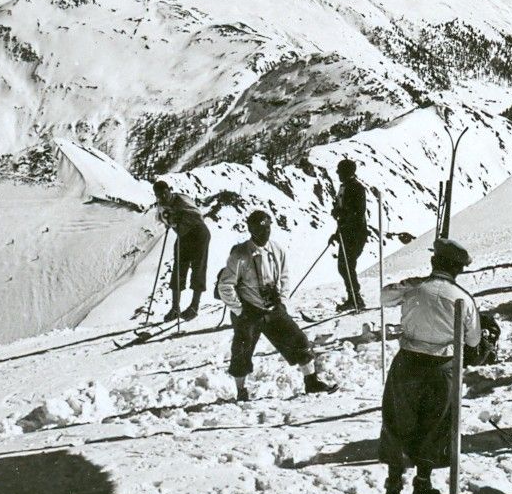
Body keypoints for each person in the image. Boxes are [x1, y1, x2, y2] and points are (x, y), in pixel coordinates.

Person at [376, 238, 481, 494]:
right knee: (435, 426)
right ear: (458, 269)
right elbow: (472, 341)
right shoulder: (462, 298)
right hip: (442, 368)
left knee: (398, 421)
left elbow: (384, 296)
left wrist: (409, 284)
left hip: (408, 362)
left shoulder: (415, 289)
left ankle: (393, 488)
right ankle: (423, 484)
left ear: (434, 262)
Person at [217, 210, 339, 403]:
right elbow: (225, 285)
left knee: (298, 339)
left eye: (268, 228)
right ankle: (241, 391)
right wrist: (240, 310)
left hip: (273, 309)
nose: (265, 233)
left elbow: (285, 276)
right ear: (251, 230)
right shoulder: (240, 255)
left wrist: (282, 300)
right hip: (249, 311)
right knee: (241, 350)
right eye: (260, 229)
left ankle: (311, 381)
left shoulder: (276, 250)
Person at [153, 180, 211, 321]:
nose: (163, 197)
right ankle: (175, 308)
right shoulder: (162, 205)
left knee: (198, 268)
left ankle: (194, 307)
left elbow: (196, 215)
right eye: (159, 195)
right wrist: (169, 220)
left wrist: (178, 218)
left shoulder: (181, 199)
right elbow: (160, 218)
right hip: (183, 235)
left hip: (198, 234)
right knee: (178, 269)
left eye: (164, 193)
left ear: (169, 190)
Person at [331, 158, 368, 312]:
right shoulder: (345, 187)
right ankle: (354, 298)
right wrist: (337, 233)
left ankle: (355, 299)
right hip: (347, 233)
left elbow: (358, 212)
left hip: (355, 233)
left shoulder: (356, 188)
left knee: (346, 266)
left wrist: (341, 213)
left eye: (340, 172)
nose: (338, 175)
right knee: (345, 266)